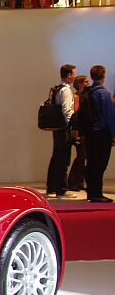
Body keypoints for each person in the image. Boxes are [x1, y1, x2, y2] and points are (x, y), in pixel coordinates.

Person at [80, 65, 115, 202]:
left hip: (90, 133)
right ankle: (97, 193)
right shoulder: (104, 94)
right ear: (103, 76)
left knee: (91, 163)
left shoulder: (88, 91)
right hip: (102, 133)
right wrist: (113, 134)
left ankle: (91, 192)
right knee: (100, 164)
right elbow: (109, 116)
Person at [45, 64, 76, 198]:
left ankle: (51, 186)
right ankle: (61, 188)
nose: (74, 76)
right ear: (69, 75)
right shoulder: (66, 91)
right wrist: (72, 125)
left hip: (56, 128)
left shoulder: (56, 89)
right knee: (63, 158)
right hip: (64, 128)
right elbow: (67, 110)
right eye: (74, 74)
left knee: (56, 156)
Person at [67, 75, 89, 191]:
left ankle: (79, 182)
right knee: (81, 156)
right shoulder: (76, 97)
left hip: (83, 130)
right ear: (80, 84)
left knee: (83, 156)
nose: (88, 83)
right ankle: (73, 182)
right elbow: (76, 114)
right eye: (86, 81)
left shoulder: (83, 96)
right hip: (79, 131)